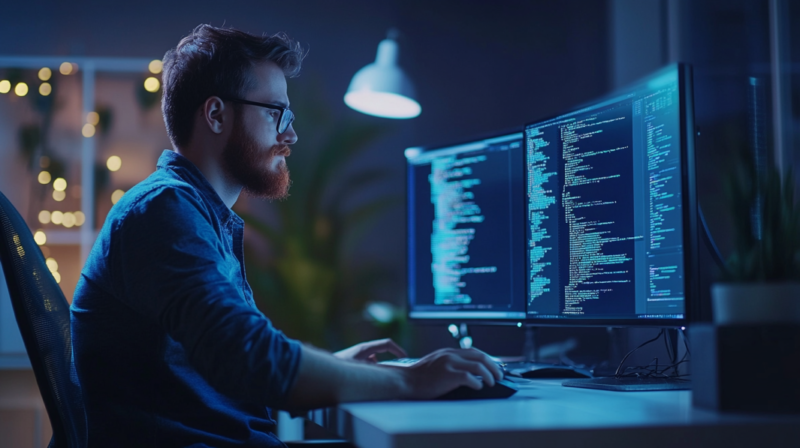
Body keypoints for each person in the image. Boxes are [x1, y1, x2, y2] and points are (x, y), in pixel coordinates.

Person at [70, 24, 502, 447]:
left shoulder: (194, 214)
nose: (290, 134)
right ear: (216, 114)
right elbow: (250, 358)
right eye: (276, 113)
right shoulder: (163, 211)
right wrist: (409, 379)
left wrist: (334, 368)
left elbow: (230, 354)